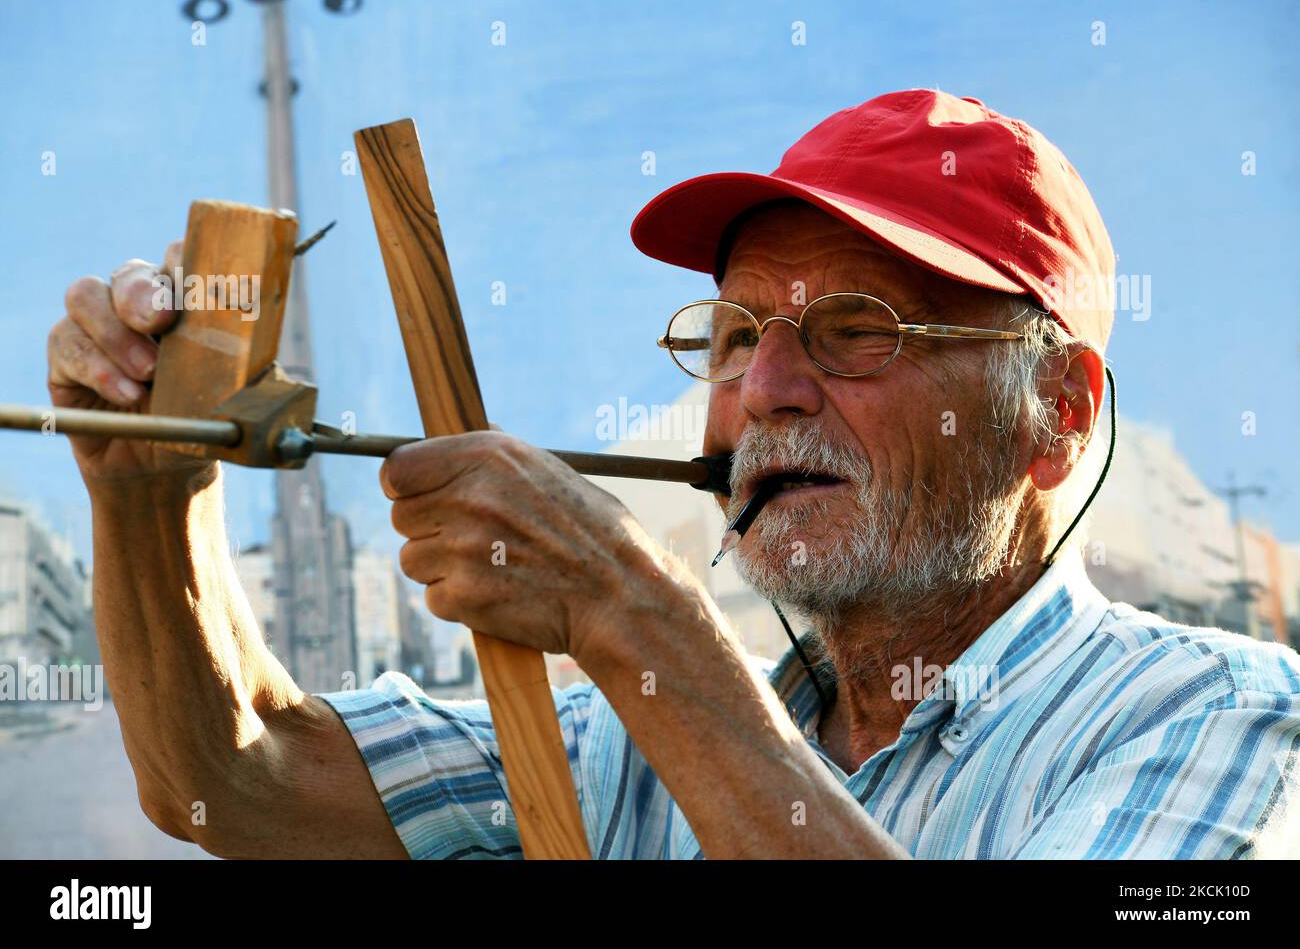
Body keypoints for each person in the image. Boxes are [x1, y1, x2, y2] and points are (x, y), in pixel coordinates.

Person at [48, 89, 1299, 859]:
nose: (764, 390)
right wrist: (149, 500)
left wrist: (635, 613)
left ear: (1057, 414)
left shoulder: (1221, 719)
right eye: (738, 334)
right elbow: (237, 783)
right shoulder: (626, 733)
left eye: (859, 327)